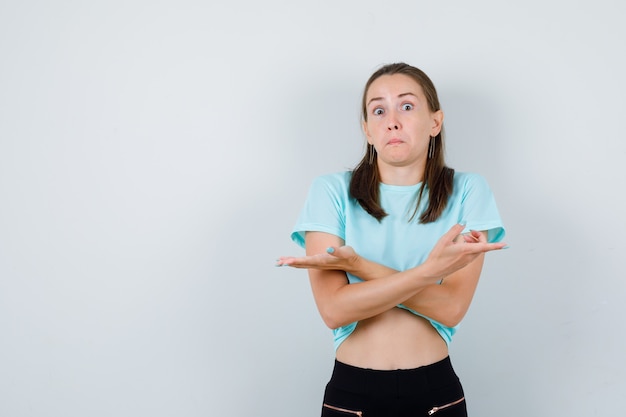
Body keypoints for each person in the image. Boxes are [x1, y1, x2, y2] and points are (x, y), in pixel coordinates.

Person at [277, 62, 506, 417]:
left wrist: (359, 266)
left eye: (407, 106)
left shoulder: (468, 190)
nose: (392, 121)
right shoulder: (331, 191)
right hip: (352, 395)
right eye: (379, 110)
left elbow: (451, 308)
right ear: (367, 130)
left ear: (435, 121)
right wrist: (430, 272)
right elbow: (335, 310)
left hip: (436, 394)